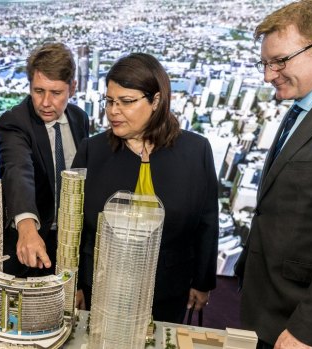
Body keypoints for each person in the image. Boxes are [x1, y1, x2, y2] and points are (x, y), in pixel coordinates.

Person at [238, 1, 312, 348]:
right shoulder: (307, 105)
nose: (268, 75)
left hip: (303, 325)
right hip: (270, 307)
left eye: (279, 61)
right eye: (265, 63)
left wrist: (308, 329)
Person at [72, 53, 218, 323]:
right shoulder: (91, 151)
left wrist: (202, 281)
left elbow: (207, 221)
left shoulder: (196, 151)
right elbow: (76, 225)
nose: (113, 110)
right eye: (109, 101)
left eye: (126, 102)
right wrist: (76, 283)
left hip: (167, 290)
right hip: (103, 289)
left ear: (156, 101)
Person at [0, 43, 89, 277]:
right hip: (29, 242)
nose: (45, 102)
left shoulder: (80, 118)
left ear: (73, 88)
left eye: (56, 93)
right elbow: (18, 170)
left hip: (70, 240)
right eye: (39, 91)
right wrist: (27, 227)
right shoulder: (14, 121)